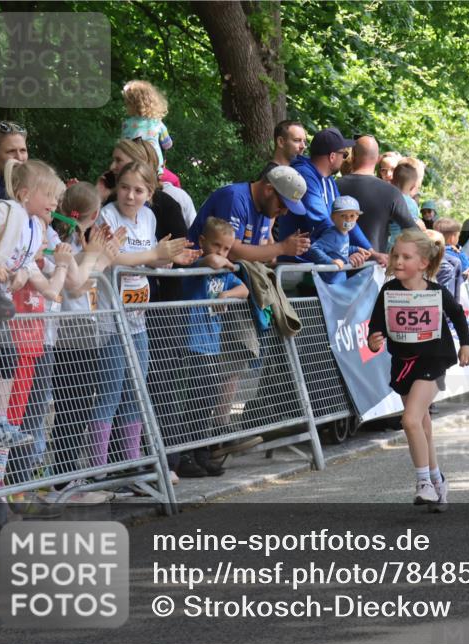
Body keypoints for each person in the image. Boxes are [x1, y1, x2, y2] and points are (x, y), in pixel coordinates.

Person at [89, 160, 198, 471]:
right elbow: (113, 259)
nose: (130, 196)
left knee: (136, 393)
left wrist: (168, 260)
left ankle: (132, 465)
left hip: (138, 321)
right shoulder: (107, 215)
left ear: (150, 193)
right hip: (111, 320)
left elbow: (148, 260)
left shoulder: (149, 217)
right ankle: (100, 469)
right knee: (110, 392)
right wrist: (154, 256)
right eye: (124, 188)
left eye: (138, 190)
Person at [0, 160, 76, 448]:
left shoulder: (35, 228)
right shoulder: (6, 210)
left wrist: (55, 269)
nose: (55, 202)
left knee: (3, 357)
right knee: (5, 312)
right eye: (49, 195)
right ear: (26, 194)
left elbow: (42, 283)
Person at [367, 228, 469, 510]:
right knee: (423, 425)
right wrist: (374, 339)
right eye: (395, 255)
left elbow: (458, 316)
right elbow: (376, 324)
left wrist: (466, 344)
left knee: (410, 420)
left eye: (406, 257)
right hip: (403, 363)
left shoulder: (436, 292)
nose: (398, 261)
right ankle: (438, 480)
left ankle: (423, 481)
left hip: (433, 360)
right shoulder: (388, 291)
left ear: (423, 264)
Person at [48, 183, 124, 482]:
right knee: (72, 410)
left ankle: (66, 473)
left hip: (80, 334)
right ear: (94, 215)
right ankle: (62, 475)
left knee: (74, 409)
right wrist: (102, 257)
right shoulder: (70, 247)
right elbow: (80, 284)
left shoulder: (72, 242)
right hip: (73, 335)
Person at [178, 217, 250, 478]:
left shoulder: (224, 273)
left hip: (212, 344)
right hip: (191, 343)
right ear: (203, 242)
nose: (222, 252)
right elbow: (213, 261)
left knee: (208, 398)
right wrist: (228, 262)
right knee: (196, 399)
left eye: (227, 248)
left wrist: (226, 295)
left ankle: (201, 452)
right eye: (217, 245)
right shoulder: (200, 264)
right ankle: (185, 454)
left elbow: (243, 289)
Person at [275, 127, 373, 264]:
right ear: (332, 156)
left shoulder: (328, 180)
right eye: (343, 155)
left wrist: (370, 250)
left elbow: (345, 215)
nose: (344, 159)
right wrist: (343, 253)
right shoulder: (304, 175)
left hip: (319, 263)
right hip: (298, 264)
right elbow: (323, 222)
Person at [187, 165, 311, 262]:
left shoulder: (266, 209)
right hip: (197, 281)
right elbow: (232, 252)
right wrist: (283, 248)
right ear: (269, 190)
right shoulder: (234, 198)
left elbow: (266, 252)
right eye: (282, 205)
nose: (284, 212)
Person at [336, 135, 417, 260]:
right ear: (378, 159)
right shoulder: (391, 193)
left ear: (353, 157)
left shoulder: (335, 186)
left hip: (336, 265)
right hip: (374, 266)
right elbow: (414, 231)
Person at [302, 195, 366, 284]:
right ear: (333, 218)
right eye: (343, 216)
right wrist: (331, 261)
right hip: (329, 284)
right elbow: (314, 248)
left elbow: (340, 248)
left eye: (352, 216)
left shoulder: (344, 233)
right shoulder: (332, 234)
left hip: (339, 281)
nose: (348, 219)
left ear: (357, 218)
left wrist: (356, 249)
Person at [120, 80, 173, 176]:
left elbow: (124, 146)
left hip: (132, 167)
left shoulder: (126, 124)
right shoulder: (157, 123)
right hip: (154, 167)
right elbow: (168, 144)